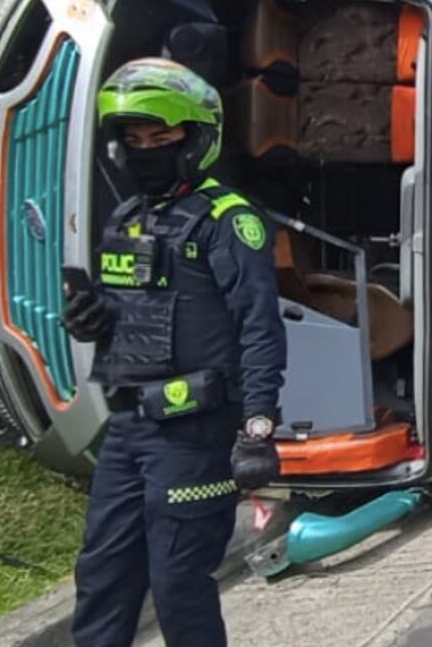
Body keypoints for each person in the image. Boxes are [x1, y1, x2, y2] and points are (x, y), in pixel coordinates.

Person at [61, 57, 287, 647]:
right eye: (133, 139)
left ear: (194, 140)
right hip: (129, 428)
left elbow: (260, 329)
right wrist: (93, 319)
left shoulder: (227, 221)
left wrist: (258, 428)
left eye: (161, 138)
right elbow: (136, 316)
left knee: (178, 581)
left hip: (195, 430)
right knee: (104, 573)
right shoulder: (128, 217)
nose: (145, 149)